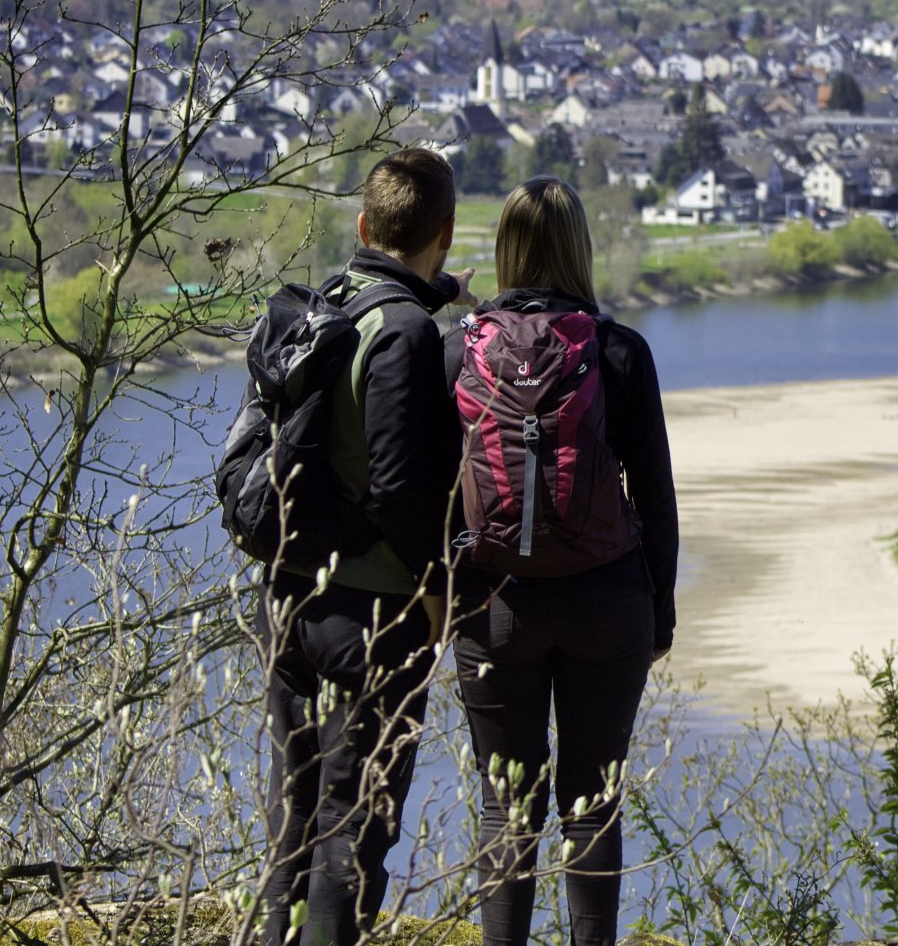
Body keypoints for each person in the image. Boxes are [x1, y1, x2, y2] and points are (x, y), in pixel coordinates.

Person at [445, 176, 679, 946]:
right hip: (608, 600)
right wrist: (661, 614)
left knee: (505, 802)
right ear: (580, 248)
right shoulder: (619, 351)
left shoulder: (458, 353)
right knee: (593, 798)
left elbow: (427, 494)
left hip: (494, 603)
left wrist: (440, 599)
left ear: (506, 250)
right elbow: (655, 494)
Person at [258, 147, 471, 946]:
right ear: (444, 233)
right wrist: (437, 586)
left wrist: (446, 290)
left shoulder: (322, 303)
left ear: (362, 225)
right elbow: (396, 486)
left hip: (287, 596)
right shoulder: (408, 333)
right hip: (373, 613)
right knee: (356, 825)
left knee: (295, 810)